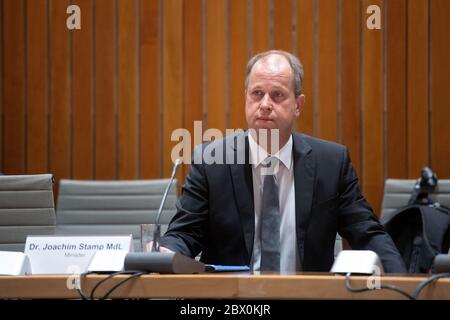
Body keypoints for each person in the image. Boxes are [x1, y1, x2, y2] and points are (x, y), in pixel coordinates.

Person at [159, 50, 406, 273]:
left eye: (277, 95)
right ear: (246, 98)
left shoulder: (331, 164)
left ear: (298, 105)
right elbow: (184, 234)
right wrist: (166, 252)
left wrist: (403, 282)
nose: (265, 104)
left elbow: (367, 232)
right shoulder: (211, 162)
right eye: (257, 94)